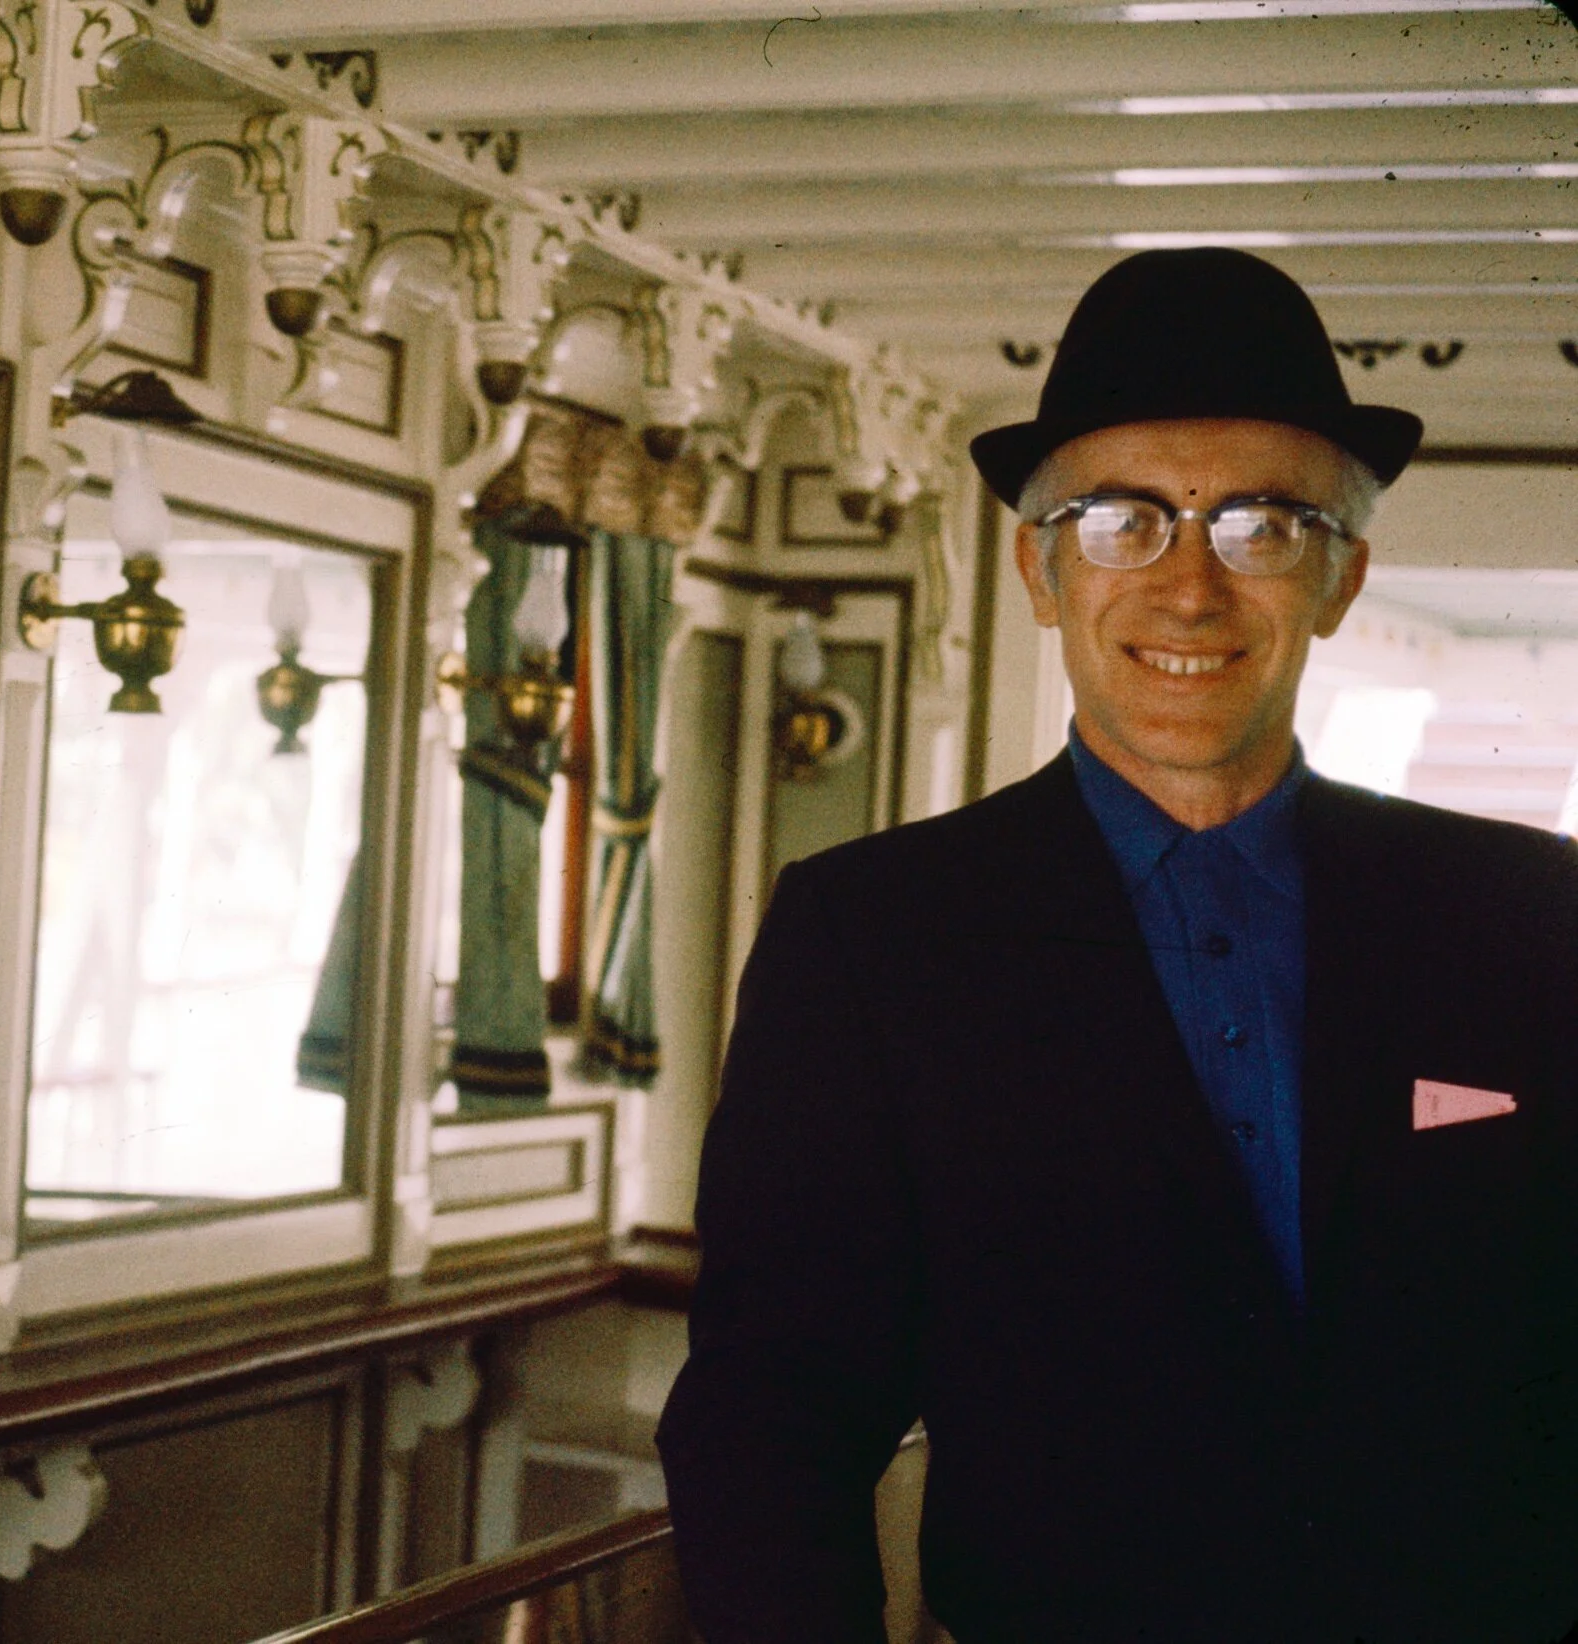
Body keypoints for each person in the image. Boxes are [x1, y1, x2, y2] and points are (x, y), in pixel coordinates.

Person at [656, 248, 1578, 1644]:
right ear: (1038, 569)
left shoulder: (1534, 915)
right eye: (1119, 523)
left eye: (1263, 526)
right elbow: (773, 1411)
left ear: (1341, 578)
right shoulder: (871, 937)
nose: (1191, 589)